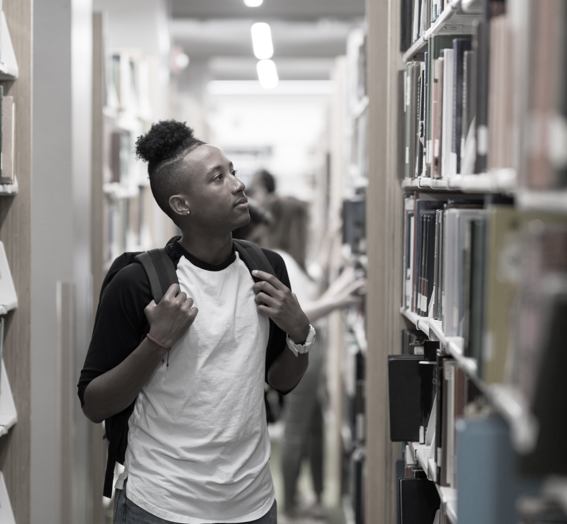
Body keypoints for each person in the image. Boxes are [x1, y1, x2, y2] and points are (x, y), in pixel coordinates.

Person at [78, 120, 315, 524]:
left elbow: (282, 380)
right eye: (218, 178)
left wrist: (299, 331)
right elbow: (94, 402)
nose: (238, 185)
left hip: (253, 504)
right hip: (161, 505)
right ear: (181, 205)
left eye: (233, 172)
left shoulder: (265, 268)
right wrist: (157, 341)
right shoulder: (137, 283)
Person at [263, 196, 365, 520]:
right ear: (295, 226)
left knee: (315, 425)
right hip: (301, 349)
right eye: (306, 224)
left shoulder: (291, 260)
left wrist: (334, 236)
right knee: (296, 430)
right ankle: (290, 504)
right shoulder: (281, 260)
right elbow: (300, 312)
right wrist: (338, 300)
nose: (310, 230)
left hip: (311, 348)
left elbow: (314, 275)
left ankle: (312, 497)